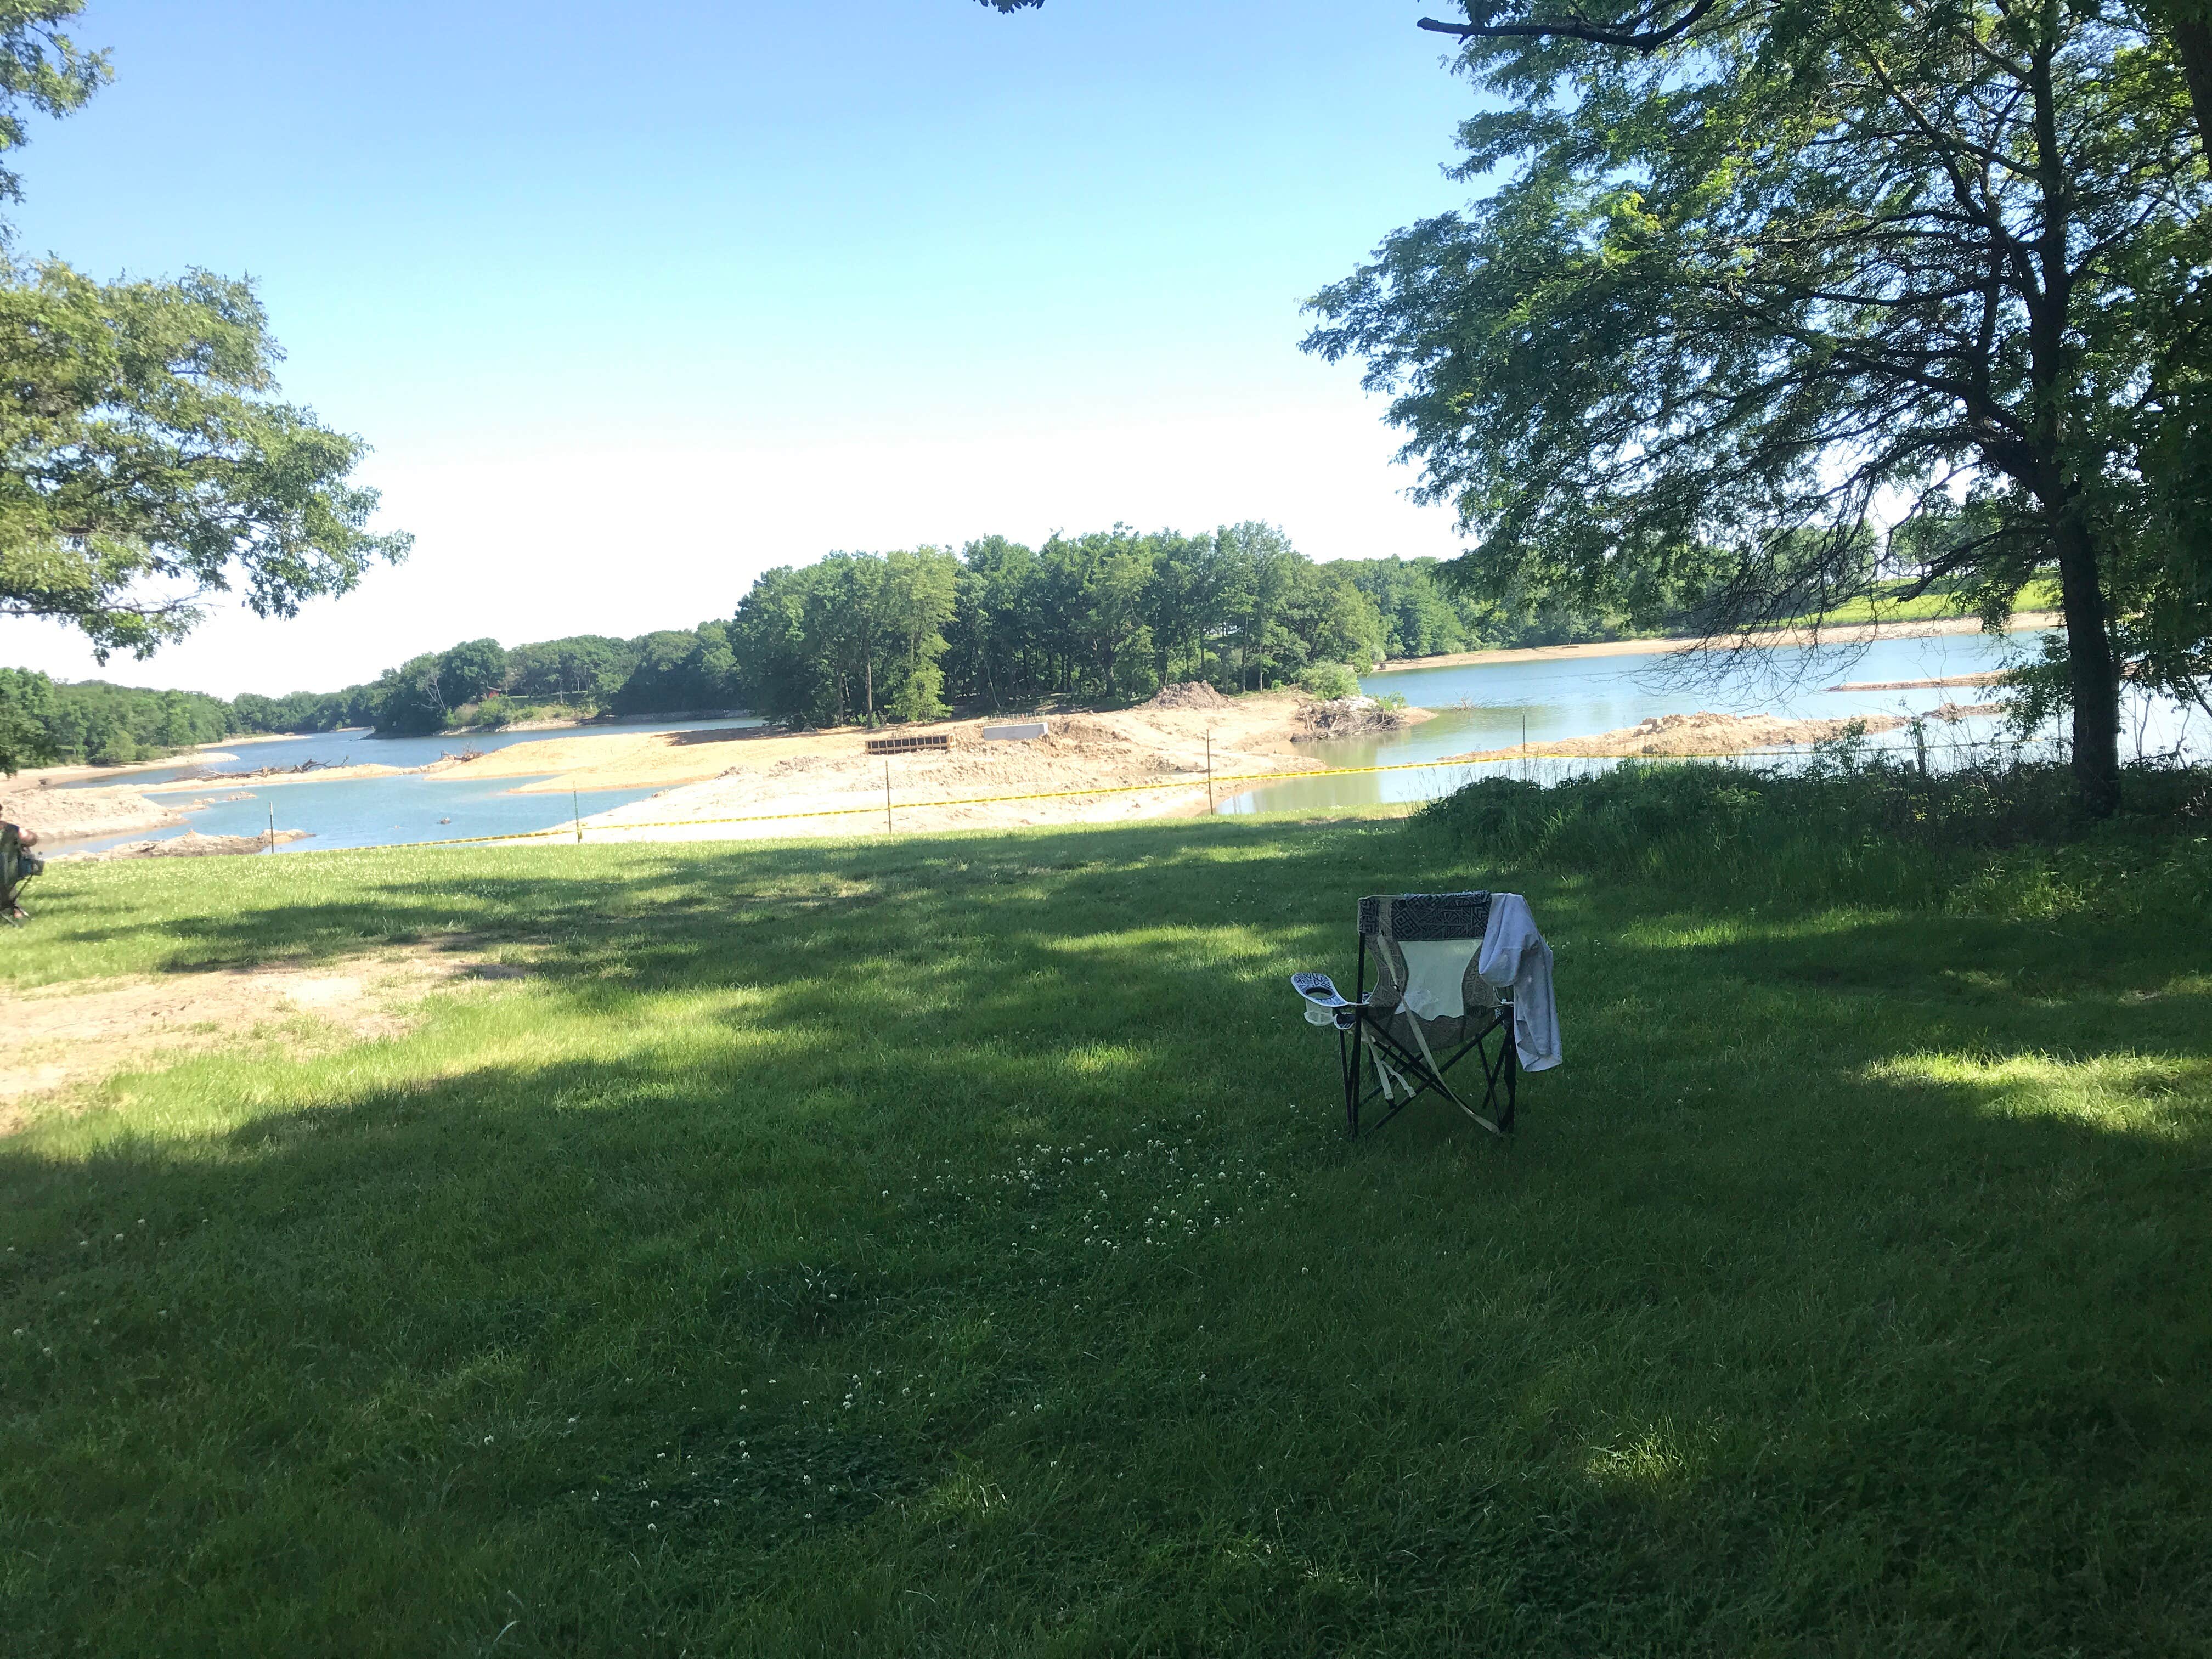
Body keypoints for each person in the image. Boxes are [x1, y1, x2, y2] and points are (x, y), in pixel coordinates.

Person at [2, 821, 42, 923]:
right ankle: (14, 909)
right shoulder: (11, 830)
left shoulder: (10, 831)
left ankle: (13, 909)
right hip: (9, 877)